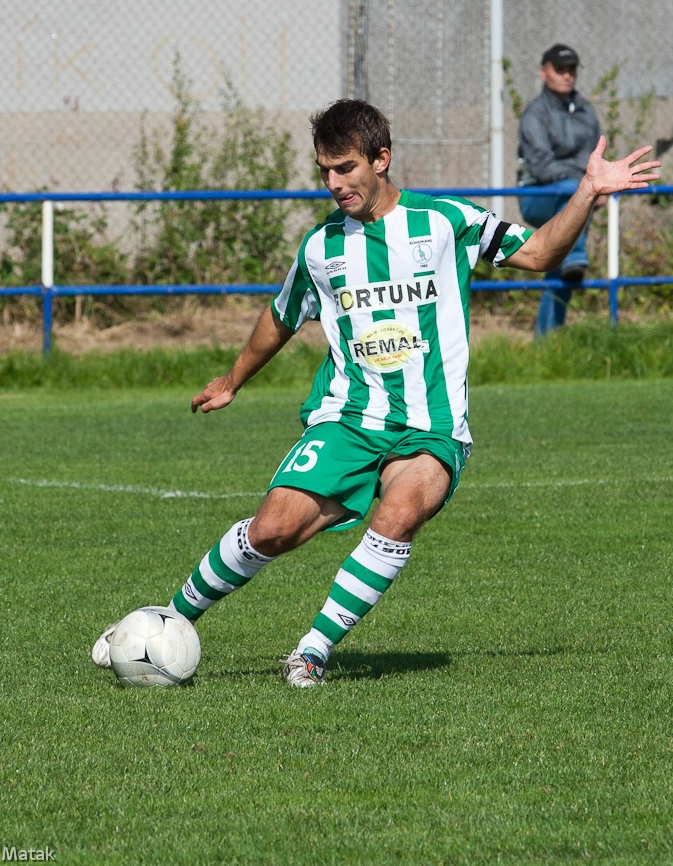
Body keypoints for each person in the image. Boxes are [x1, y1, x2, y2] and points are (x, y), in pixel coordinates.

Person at [91, 99, 659, 686]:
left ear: (380, 159)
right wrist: (232, 380)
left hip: (432, 424)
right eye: (325, 171)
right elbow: (282, 316)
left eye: (346, 168)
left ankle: (311, 651)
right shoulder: (320, 247)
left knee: (401, 512)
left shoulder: (446, 221)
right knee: (272, 530)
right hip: (349, 418)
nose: (334, 184)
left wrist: (588, 191)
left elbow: (539, 253)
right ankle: (164, 622)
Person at [517, 43, 602, 335]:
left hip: (575, 193)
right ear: (544, 72)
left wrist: (595, 184)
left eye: (572, 69)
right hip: (536, 197)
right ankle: (576, 256)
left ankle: (546, 339)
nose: (568, 75)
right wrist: (587, 184)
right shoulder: (534, 114)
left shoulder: (586, 110)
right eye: (561, 69)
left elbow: (597, 156)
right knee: (572, 194)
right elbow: (542, 167)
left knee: (560, 263)